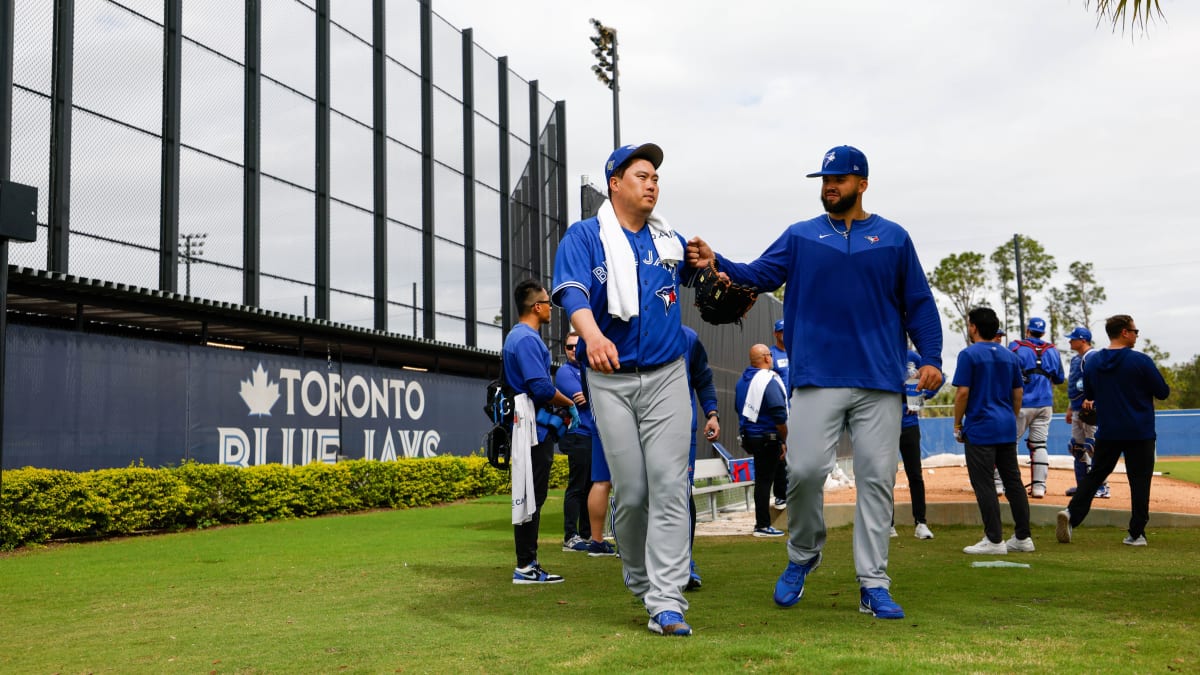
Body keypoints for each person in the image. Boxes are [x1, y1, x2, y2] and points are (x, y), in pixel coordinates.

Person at [686, 144, 943, 621]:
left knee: (876, 482)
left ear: (862, 183)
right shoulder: (801, 236)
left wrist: (931, 356)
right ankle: (803, 553)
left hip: (879, 380)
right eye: (825, 179)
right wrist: (716, 258)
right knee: (803, 472)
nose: (830, 186)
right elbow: (757, 275)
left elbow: (920, 304)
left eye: (840, 179)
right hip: (816, 377)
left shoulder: (893, 237)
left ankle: (873, 583)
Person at [552, 142, 697, 636]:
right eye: (641, 174)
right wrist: (591, 334)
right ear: (615, 182)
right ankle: (641, 579)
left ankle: (667, 599)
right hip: (610, 381)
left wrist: (714, 268)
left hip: (666, 374)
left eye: (656, 175)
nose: (652, 182)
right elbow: (571, 291)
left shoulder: (667, 241)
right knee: (632, 493)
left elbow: (705, 275)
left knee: (670, 485)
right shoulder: (586, 236)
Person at [1057, 315, 1170, 546]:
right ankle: (1136, 533)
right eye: (1134, 330)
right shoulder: (1141, 361)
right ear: (1125, 332)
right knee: (1139, 481)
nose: (1137, 334)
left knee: (1095, 475)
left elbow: (1090, 394)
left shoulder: (1094, 363)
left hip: (1108, 430)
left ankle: (1071, 514)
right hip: (1140, 431)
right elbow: (1163, 392)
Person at [503, 279, 579, 584]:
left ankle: (527, 563)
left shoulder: (518, 336)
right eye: (548, 303)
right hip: (530, 428)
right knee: (531, 495)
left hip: (527, 424)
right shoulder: (526, 339)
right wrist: (569, 403)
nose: (551, 308)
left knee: (529, 494)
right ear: (537, 307)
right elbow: (541, 387)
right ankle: (526, 565)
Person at [952, 307, 1035, 555]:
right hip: (1006, 426)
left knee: (984, 483)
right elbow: (1018, 393)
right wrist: (1010, 416)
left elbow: (963, 392)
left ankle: (994, 539)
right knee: (1013, 482)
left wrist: (957, 423)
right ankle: (1023, 537)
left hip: (981, 428)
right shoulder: (1010, 356)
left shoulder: (968, 355)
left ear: (974, 327)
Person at [1006, 317, 1065, 498]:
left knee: (1009, 444)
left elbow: (1007, 372)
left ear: (1027, 330)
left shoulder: (1016, 347)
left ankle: (1005, 485)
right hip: (1044, 403)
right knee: (1039, 445)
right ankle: (1039, 487)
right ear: (1043, 332)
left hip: (1021, 403)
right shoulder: (1052, 350)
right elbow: (1059, 378)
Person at [734, 344, 788, 538]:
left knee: (768, 475)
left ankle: (781, 498)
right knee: (765, 481)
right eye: (770, 355)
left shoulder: (742, 380)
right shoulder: (768, 379)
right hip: (767, 435)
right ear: (766, 358)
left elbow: (736, 406)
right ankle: (763, 525)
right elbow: (778, 411)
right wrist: (784, 437)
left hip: (749, 436)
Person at [682, 325, 721, 589]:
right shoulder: (628, 329)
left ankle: (685, 563)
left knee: (682, 493)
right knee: (640, 497)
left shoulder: (688, 337)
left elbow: (703, 378)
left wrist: (712, 414)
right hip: (638, 429)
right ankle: (645, 565)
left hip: (682, 431)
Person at [554, 331, 594, 552]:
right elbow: (578, 397)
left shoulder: (590, 369)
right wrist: (592, 395)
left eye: (576, 346)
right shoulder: (564, 372)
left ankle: (587, 535)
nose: (572, 351)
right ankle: (570, 535)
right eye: (569, 347)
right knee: (577, 486)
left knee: (591, 486)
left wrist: (591, 395)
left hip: (594, 435)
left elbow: (591, 397)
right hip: (578, 434)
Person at [896, 348, 940, 540]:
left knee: (915, 474)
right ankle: (887, 524)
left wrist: (922, 397)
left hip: (909, 424)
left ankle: (921, 523)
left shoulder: (913, 358)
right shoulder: (880, 352)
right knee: (885, 476)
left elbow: (939, 378)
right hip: (884, 423)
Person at [1064, 326, 1109, 499]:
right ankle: (1084, 487)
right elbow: (1076, 385)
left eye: (1072, 338)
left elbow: (1099, 382)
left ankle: (1102, 487)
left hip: (1090, 408)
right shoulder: (1077, 359)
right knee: (1077, 448)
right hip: (1077, 408)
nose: (1070, 341)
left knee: (1093, 447)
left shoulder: (1092, 356)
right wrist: (1070, 406)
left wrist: (1094, 399)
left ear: (1083, 340)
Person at [768, 319, 789, 509]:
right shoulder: (771, 355)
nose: (785, 333)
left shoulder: (796, 351)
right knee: (781, 450)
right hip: (781, 410)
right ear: (776, 334)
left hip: (800, 407)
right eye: (781, 331)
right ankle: (781, 495)